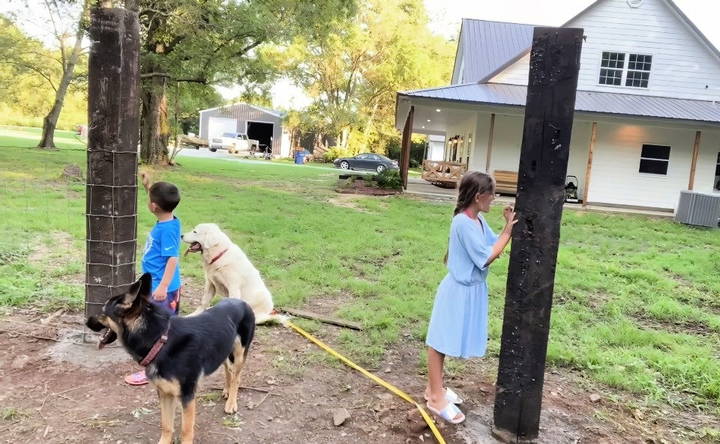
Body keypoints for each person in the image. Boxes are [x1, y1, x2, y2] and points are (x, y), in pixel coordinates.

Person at [424, 171, 517, 423]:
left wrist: (506, 224)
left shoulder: (476, 220)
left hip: (470, 291)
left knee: (446, 339)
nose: (494, 198)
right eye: (492, 194)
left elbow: (491, 244)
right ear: (478, 197)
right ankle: (435, 398)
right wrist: (509, 231)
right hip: (457, 291)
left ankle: (435, 388)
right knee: (439, 341)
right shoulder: (462, 223)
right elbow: (486, 256)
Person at [124, 172, 182, 386]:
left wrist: (163, 286)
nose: (148, 200)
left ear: (154, 206)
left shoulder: (167, 230)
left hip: (161, 288)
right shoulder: (171, 220)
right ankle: (170, 361)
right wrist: (148, 185)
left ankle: (153, 369)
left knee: (156, 331)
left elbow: (172, 260)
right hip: (161, 285)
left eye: (149, 198)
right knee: (167, 328)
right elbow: (158, 201)